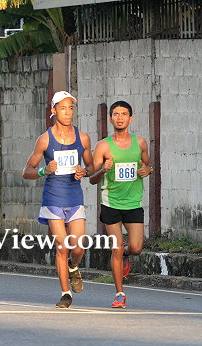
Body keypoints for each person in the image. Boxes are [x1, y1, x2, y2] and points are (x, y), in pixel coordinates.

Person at [22, 91, 94, 309]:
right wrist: (44, 170)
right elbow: (27, 171)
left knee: (78, 248)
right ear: (53, 111)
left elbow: (92, 167)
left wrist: (84, 171)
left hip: (74, 198)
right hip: (53, 199)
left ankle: (74, 266)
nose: (68, 112)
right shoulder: (45, 139)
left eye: (70, 108)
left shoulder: (83, 138)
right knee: (62, 247)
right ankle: (65, 294)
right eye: (62, 108)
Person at [89, 100, 153, 309]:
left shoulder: (140, 143)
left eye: (124, 114)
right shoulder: (103, 146)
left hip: (133, 203)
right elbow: (92, 179)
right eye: (116, 114)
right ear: (110, 118)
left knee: (136, 248)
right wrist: (103, 170)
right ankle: (119, 293)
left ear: (130, 119)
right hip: (111, 203)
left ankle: (126, 255)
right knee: (116, 248)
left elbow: (147, 164)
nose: (119, 118)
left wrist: (148, 170)